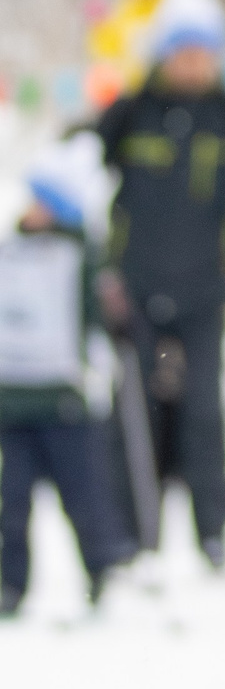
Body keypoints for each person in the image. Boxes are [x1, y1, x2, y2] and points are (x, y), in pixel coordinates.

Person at [93, 0, 225, 568]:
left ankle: (214, 534)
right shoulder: (133, 110)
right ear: (164, 54)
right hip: (135, 287)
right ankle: (135, 538)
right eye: (183, 53)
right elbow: (81, 165)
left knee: (203, 412)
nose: (193, 65)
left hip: (206, 288)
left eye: (204, 53)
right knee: (136, 415)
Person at [0, 149, 134, 614]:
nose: (30, 210)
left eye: (41, 202)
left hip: (64, 399)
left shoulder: (82, 258)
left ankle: (102, 570)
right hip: (11, 399)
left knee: (84, 495)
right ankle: (10, 585)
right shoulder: (10, 252)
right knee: (10, 504)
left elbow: (101, 317)